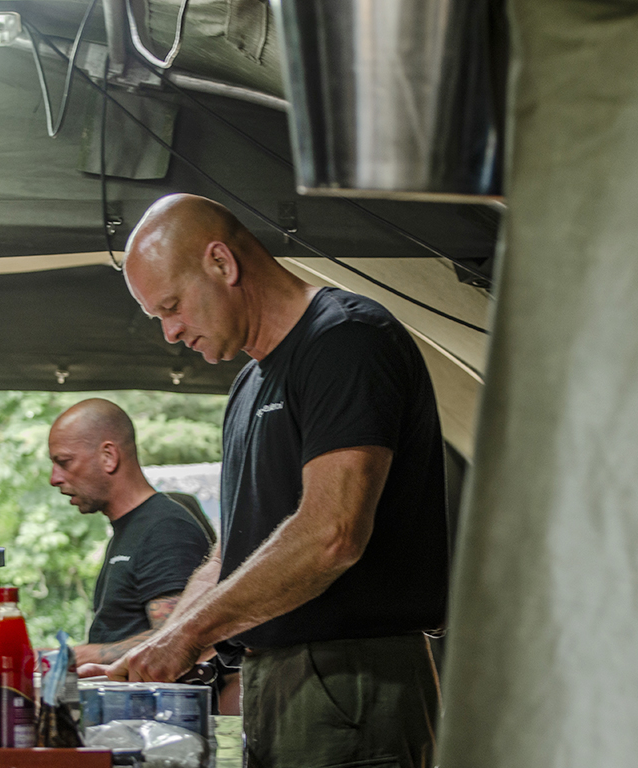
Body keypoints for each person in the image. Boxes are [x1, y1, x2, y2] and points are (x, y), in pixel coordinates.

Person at [110, 194, 449, 768]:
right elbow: (232, 555)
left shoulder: (346, 340)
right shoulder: (248, 387)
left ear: (222, 262)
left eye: (171, 307)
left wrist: (189, 636)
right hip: (276, 678)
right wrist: (154, 646)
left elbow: (331, 534)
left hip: (352, 679)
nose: (169, 333)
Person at [48, 398, 212, 670]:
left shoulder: (166, 528)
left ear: (108, 456)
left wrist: (80, 655)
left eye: (64, 462)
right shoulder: (129, 529)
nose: (54, 478)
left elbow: (178, 638)